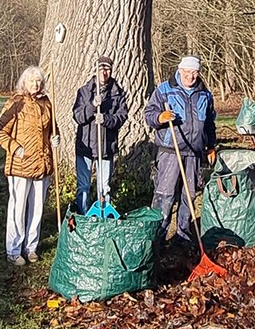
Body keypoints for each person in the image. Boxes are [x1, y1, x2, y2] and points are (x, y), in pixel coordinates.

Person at [145, 55, 217, 247]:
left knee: (189, 196)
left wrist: (211, 145)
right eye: (187, 72)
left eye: (194, 72)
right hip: (170, 151)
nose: (191, 76)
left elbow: (210, 123)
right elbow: (149, 114)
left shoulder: (204, 94)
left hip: (194, 153)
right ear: (180, 71)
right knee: (165, 195)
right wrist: (160, 117)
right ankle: (158, 238)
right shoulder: (165, 90)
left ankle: (183, 236)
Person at [0, 65, 60, 266]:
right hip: (20, 165)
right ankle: (14, 250)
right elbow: (0, 133)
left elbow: (52, 129)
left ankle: (31, 247)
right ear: (25, 82)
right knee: (18, 208)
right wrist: (15, 148)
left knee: (37, 208)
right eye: (32, 81)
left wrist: (55, 138)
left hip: (42, 164)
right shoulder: (16, 102)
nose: (36, 84)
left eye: (39, 81)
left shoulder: (47, 102)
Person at [72, 56, 129, 215]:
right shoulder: (84, 91)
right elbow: (78, 117)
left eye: (107, 69)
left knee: (104, 187)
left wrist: (106, 119)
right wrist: (92, 106)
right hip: (86, 147)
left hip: (106, 147)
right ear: (95, 70)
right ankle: (84, 216)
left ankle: (103, 216)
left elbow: (122, 117)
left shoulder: (117, 93)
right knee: (83, 186)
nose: (104, 72)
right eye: (101, 69)